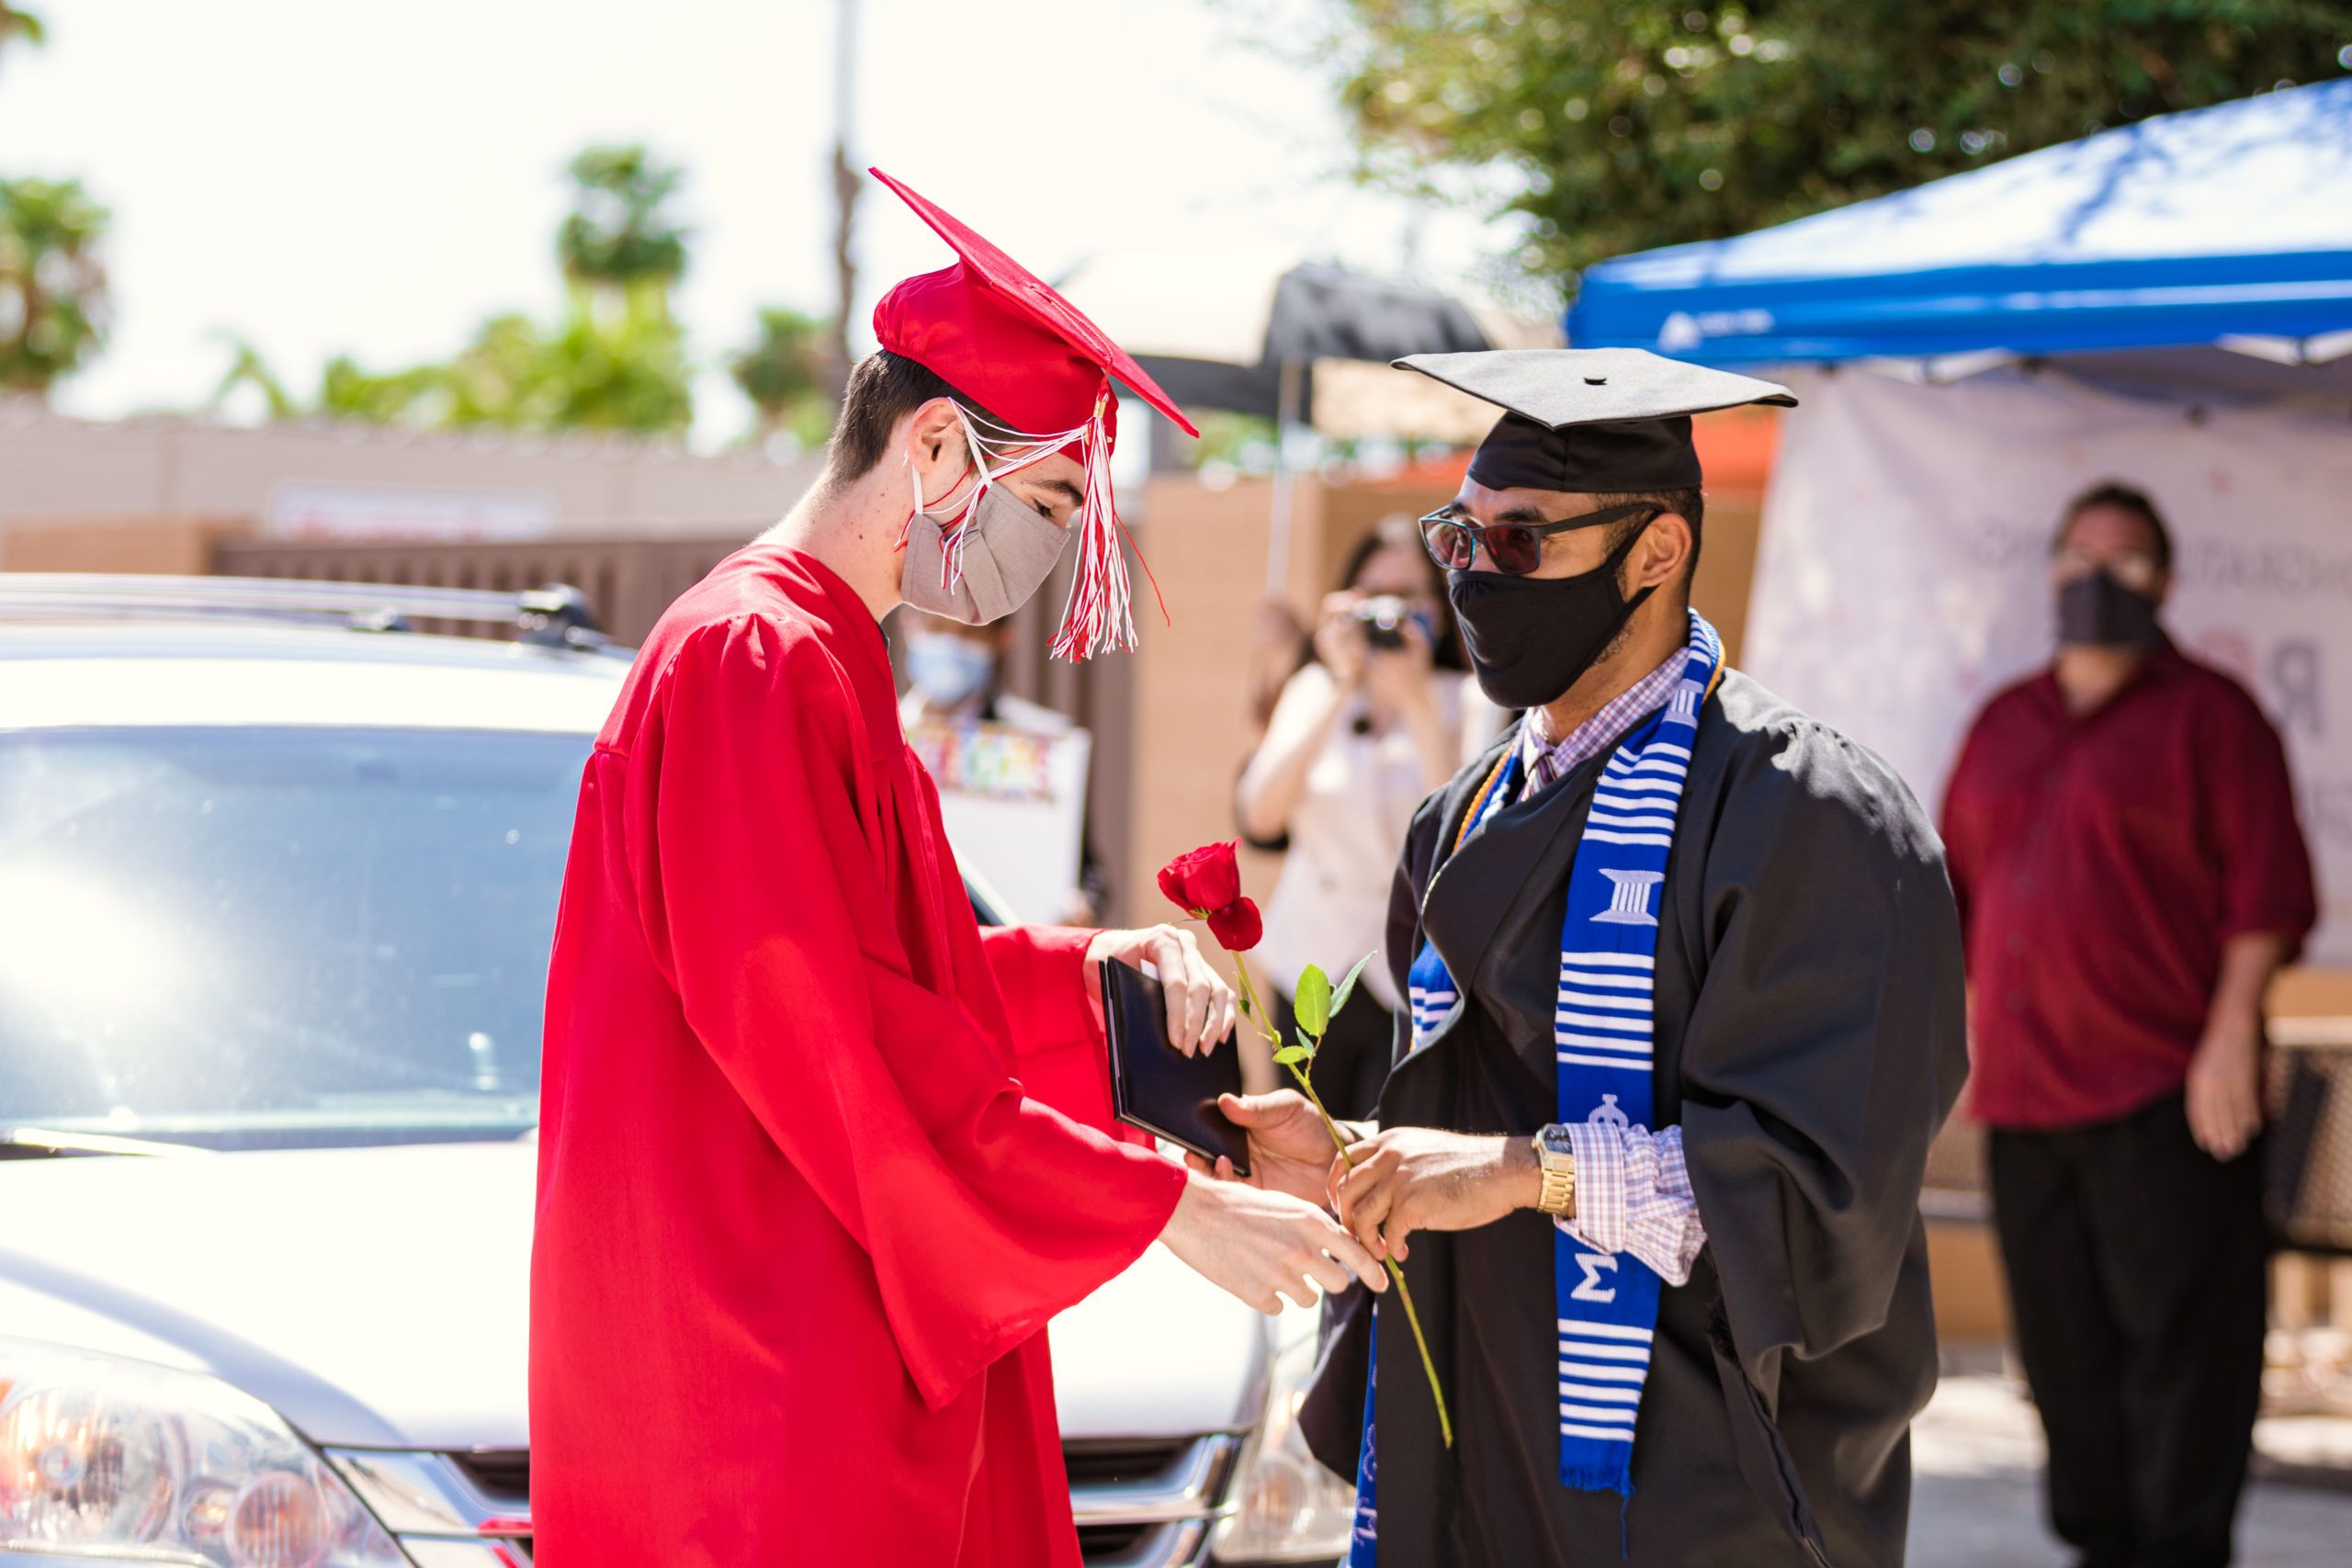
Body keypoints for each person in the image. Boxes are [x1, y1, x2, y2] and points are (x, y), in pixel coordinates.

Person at [530, 170, 1385, 1568]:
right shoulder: (756, 656)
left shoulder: (814, 653)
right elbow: (824, 1041)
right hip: (755, 1369)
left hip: (801, 1333)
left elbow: (886, 978)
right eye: (1048, 498)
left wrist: (1101, 979)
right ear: (935, 446)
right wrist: (1156, 1200)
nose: (1047, 550)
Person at [1198, 347, 1967, 1566]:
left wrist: (1523, 1172)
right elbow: (1460, 1115)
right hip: (1482, 1459)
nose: (1478, 576)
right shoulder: (1458, 816)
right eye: (1465, 536)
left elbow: (1816, 1196)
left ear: (1655, 551)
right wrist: (1343, 1159)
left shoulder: (1808, 813)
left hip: (1699, 1483)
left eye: (1523, 543)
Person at [1941, 481, 2315, 1568]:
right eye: (2079, 556)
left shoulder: (2213, 715)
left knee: (2184, 1363)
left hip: (2164, 1091)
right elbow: (1953, 890)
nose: (2097, 578)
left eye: (2126, 560)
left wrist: (2229, 1037)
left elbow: (2267, 899)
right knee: (2064, 1365)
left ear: (2165, 582)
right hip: (2022, 1100)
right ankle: (2101, 1551)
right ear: (2050, 570)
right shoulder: (2003, 721)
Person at [1236, 513, 1489, 1119]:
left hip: (1407, 970)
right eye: (1373, 597)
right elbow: (1260, 815)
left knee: (1383, 1150)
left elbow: (1461, 842)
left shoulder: (1469, 699)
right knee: (1303, 1137)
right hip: (1310, 957)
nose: (1388, 615)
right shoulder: (1315, 688)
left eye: (1407, 599)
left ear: (1439, 604)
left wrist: (1418, 704)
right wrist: (1340, 684)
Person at [898, 611, 1107, 922]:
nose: (950, 645)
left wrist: (1082, 908)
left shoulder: (1044, 748)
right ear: (909, 623)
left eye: (969, 634)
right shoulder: (873, 729)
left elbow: (1089, 875)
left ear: (1002, 639)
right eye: (937, 627)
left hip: (997, 952)